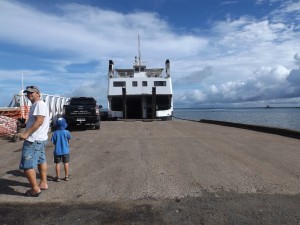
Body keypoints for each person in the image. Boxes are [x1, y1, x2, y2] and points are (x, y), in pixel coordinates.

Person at [19, 86, 50, 197]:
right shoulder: (37, 105)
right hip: (40, 138)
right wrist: (24, 125)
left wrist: (26, 134)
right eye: (27, 93)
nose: (29, 94)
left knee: (27, 165)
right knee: (41, 160)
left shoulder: (38, 104)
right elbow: (36, 121)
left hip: (33, 139)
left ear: (38, 94)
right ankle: (43, 183)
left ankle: (35, 189)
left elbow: (39, 122)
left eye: (32, 92)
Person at [51, 118, 72, 182]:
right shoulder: (67, 132)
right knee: (66, 163)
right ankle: (66, 176)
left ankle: (58, 177)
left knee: (57, 164)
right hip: (65, 151)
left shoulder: (54, 133)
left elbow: (54, 142)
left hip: (57, 151)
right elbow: (68, 140)